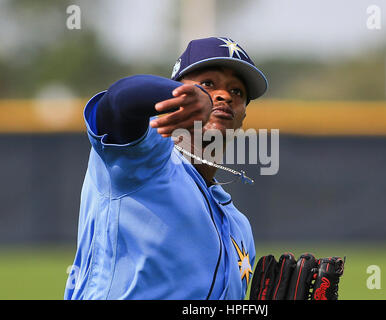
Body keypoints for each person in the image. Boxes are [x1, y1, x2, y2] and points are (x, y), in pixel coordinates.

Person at [64, 37, 268, 300]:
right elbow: (117, 101)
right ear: (177, 90)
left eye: (237, 92)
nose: (224, 95)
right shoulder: (142, 160)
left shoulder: (239, 227)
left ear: (243, 117)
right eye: (207, 84)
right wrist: (170, 93)